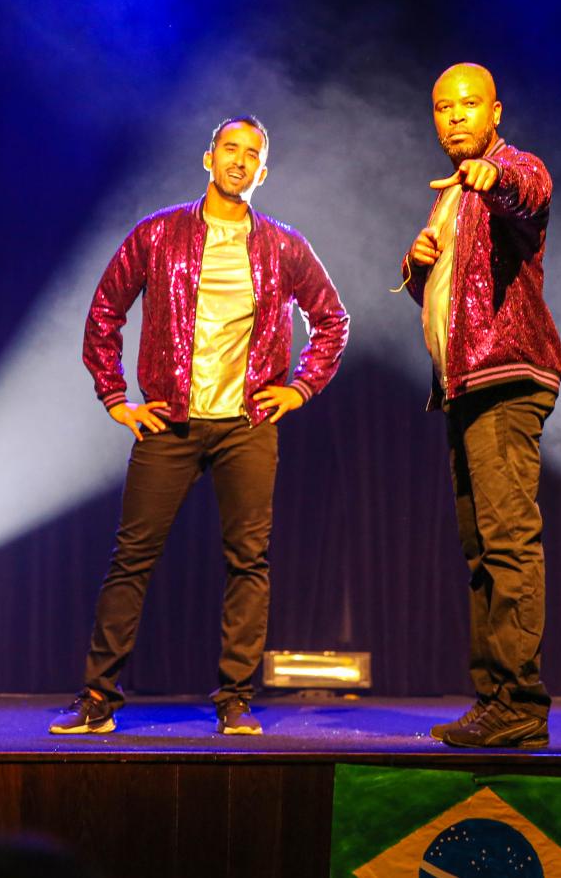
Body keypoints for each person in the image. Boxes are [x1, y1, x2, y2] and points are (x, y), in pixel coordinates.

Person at [51, 115, 348, 737]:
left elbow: (331, 320)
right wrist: (115, 398)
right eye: (230, 148)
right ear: (208, 158)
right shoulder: (158, 233)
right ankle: (98, 698)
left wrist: (300, 387)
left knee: (249, 561)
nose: (239, 160)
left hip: (247, 424)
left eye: (252, 154)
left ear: (263, 171)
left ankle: (235, 699)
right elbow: (104, 312)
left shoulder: (284, 245)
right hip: (170, 423)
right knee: (132, 559)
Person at [400, 63, 561, 748]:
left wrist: (494, 177)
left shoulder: (509, 169)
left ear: (495, 111)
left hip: (505, 378)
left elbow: (530, 191)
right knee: (482, 551)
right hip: (467, 385)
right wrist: (419, 268)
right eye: (443, 107)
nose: (455, 116)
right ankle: (496, 698)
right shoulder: (449, 198)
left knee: (508, 541)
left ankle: (520, 701)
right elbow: (453, 298)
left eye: (469, 105)